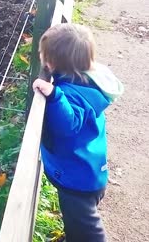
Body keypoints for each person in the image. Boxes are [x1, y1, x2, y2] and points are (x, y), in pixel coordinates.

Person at [32, 23, 124, 242]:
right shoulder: (90, 80)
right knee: (78, 224)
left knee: (89, 231)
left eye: (43, 56)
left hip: (77, 179)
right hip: (86, 169)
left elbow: (68, 124)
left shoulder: (71, 94)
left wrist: (54, 95)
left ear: (52, 63)